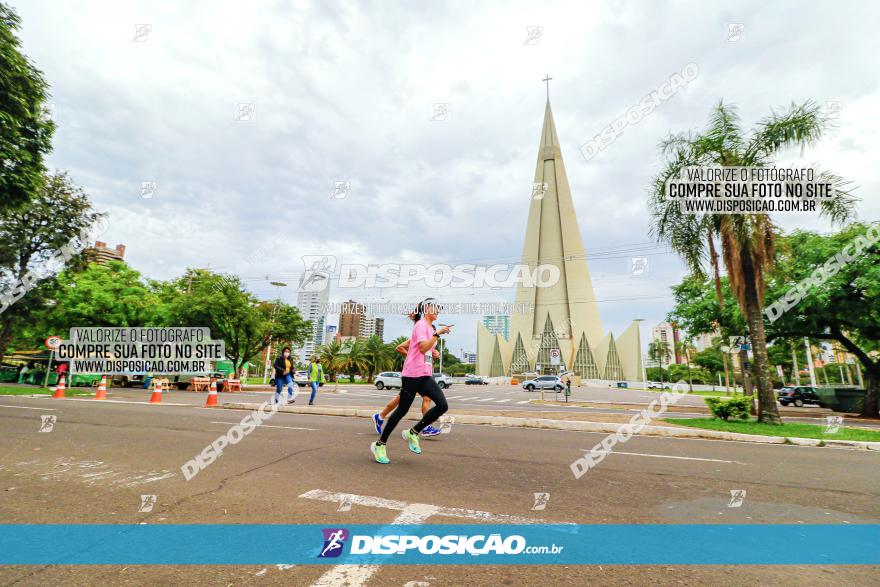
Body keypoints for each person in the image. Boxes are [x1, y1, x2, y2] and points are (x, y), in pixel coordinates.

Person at [370, 298, 451, 464]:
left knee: (443, 405)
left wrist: (434, 353)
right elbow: (421, 347)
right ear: (427, 309)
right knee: (402, 410)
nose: (438, 311)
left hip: (425, 375)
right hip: (412, 375)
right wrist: (438, 334)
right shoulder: (421, 325)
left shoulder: (429, 328)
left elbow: (426, 350)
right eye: (435, 308)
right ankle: (379, 444)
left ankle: (413, 432)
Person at [372, 338, 441, 437]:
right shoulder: (419, 338)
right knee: (401, 400)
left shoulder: (432, 341)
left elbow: (428, 355)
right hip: (413, 374)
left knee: (426, 398)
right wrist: (413, 356)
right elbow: (399, 347)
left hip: (423, 375)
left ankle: (425, 427)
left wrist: (435, 354)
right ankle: (380, 418)